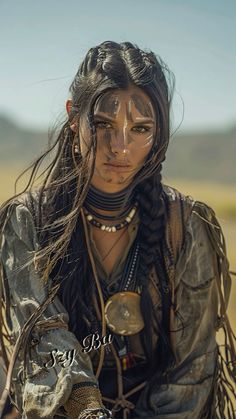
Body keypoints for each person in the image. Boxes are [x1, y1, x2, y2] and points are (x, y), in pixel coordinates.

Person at [0, 41, 235, 419]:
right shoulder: (28, 221)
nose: (120, 147)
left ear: (158, 136)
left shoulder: (186, 227)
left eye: (140, 128)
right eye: (103, 124)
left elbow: (193, 367)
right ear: (74, 119)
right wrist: (89, 411)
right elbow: (43, 339)